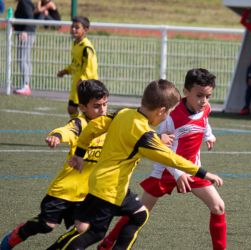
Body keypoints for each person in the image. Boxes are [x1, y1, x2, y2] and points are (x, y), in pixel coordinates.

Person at [51, 79, 224, 249]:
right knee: (94, 233)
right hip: (109, 189)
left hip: (104, 183)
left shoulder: (124, 113)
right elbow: (171, 158)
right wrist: (203, 173)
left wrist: (80, 153)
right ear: (161, 111)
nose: (169, 116)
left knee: (139, 214)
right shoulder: (145, 135)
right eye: (169, 112)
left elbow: (94, 127)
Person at [98, 68, 227, 250]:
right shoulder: (171, 117)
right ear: (186, 92)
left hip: (193, 169)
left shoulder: (205, 108)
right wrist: (177, 174)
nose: (204, 101)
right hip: (166, 171)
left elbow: (204, 121)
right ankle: (108, 243)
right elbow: (163, 149)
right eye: (199, 96)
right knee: (140, 213)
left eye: (208, 96)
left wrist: (209, 135)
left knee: (218, 207)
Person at [0, 79, 109, 250]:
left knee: (83, 229)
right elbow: (67, 130)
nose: (102, 110)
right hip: (63, 191)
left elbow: (129, 129)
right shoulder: (80, 124)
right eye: (97, 106)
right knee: (46, 225)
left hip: (85, 195)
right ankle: (16, 235)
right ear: (82, 107)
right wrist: (56, 136)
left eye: (105, 104)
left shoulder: (108, 125)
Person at [57, 16, 98, 118]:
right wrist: (66, 71)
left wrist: (83, 80)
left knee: (87, 111)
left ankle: (85, 127)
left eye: (77, 27)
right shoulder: (76, 44)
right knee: (72, 109)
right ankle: (79, 126)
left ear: (85, 30)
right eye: (72, 27)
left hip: (86, 84)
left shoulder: (86, 48)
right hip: (77, 83)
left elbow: (91, 68)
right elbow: (76, 64)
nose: (73, 29)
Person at [13, 0, 36, 96]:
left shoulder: (24, 2)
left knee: (22, 59)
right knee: (25, 59)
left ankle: (26, 85)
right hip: (28, 33)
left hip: (27, 34)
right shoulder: (24, 2)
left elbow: (30, 17)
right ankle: (26, 84)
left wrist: (25, 31)